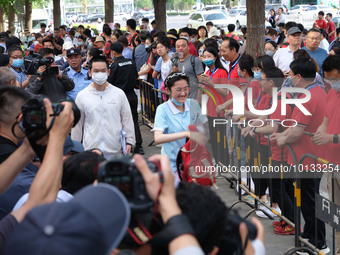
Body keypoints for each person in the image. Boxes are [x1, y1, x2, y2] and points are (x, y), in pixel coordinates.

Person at [271, 57, 329, 254]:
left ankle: (318, 243)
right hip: (311, 156)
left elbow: (296, 132)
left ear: (298, 76)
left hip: (309, 157)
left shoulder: (307, 97)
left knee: (310, 200)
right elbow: (296, 127)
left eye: (290, 75)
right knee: (309, 199)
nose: (289, 79)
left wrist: (281, 139)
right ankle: (309, 235)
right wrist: (282, 134)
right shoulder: (318, 91)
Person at [71, 56, 135, 158]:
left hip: (116, 151)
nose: (100, 74)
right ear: (90, 72)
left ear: (108, 72)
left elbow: (126, 119)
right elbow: (77, 124)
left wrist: (130, 141)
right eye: (96, 71)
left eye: (103, 70)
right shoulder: (82, 96)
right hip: (91, 152)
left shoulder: (119, 94)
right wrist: (75, 149)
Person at [153, 72, 207, 183]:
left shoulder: (193, 104)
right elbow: (158, 138)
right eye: (178, 90)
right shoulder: (162, 109)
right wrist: (186, 133)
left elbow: (203, 127)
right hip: (172, 167)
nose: (183, 93)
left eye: (186, 89)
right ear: (168, 90)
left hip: (194, 165)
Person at [313, 55, 340, 252]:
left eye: (335, 78)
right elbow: (325, 118)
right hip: (332, 164)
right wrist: (322, 129)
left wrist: (332, 138)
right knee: (336, 215)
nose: (332, 83)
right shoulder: (332, 93)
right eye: (329, 79)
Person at [108, 42, 144, 155]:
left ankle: (123, 144)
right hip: (132, 94)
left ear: (113, 52)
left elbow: (110, 82)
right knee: (133, 120)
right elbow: (136, 75)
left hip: (119, 96)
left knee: (120, 121)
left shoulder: (114, 66)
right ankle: (138, 145)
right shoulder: (131, 62)